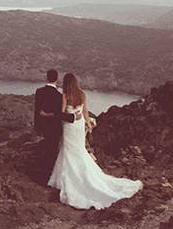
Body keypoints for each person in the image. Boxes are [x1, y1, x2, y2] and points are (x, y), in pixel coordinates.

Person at [48, 72, 142, 209]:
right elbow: (86, 112)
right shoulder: (82, 94)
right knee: (79, 151)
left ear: (66, 83)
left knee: (69, 152)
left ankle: (68, 181)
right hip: (79, 127)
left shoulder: (65, 96)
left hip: (69, 126)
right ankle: (79, 177)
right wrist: (87, 123)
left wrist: (65, 116)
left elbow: (62, 114)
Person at [32, 69, 74, 184]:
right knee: (51, 152)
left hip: (43, 127)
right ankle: (48, 177)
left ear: (46, 78)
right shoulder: (59, 96)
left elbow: (36, 111)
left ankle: (41, 176)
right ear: (57, 79)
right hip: (55, 128)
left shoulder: (39, 91)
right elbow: (59, 114)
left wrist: (37, 128)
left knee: (43, 150)